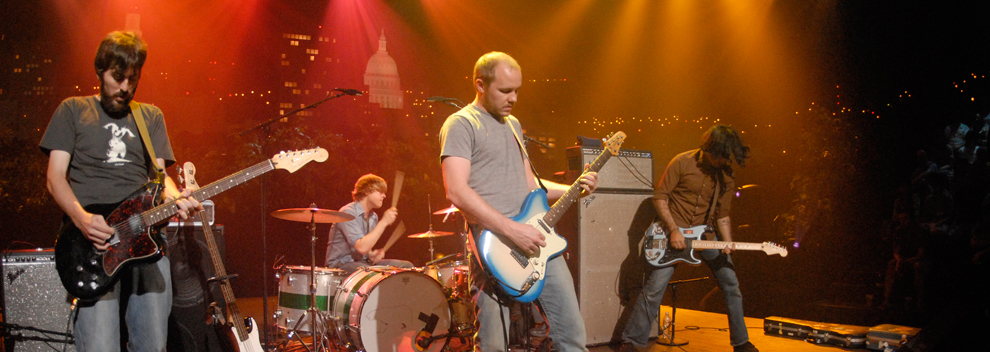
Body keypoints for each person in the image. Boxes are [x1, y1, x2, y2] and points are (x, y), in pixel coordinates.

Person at [40, 31, 201, 351]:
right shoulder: (72, 109)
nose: (125, 87)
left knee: (153, 343)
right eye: (118, 77)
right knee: (100, 343)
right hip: (93, 240)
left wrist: (176, 198)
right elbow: (55, 177)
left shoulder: (150, 116)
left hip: (145, 236)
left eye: (133, 78)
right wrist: (81, 218)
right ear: (101, 70)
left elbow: (160, 177)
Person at [439, 51, 598, 352]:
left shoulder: (513, 124)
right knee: (493, 345)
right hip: (494, 247)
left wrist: (574, 188)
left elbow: (530, 186)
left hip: (537, 241)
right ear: (480, 85)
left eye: (517, 91)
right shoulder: (461, 124)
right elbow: (456, 192)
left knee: (572, 335)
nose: (513, 98)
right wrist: (513, 230)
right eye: (505, 90)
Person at [617, 125, 758, 352]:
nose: (722, 161)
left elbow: (722, 214)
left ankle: (741, 343)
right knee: (654, 288)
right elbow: (660, 198)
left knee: (731, 284)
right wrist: (673, 230)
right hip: (672, 236)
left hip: (706, 236)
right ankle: (632, 342)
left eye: (725, 157)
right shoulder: (682, 162)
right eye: (719, 156)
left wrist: (728, 241)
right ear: (708, 148)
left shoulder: (725, 173)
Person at [325, 173, 414, 273]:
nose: (384, 196)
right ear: (367, 191)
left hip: (362, 263)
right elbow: (362, 247)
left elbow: (365, 250)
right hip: (340, 264)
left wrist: (371, 255)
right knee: (371, 272)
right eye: (380, 191)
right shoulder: (347, 213)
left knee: (406, 266)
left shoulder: (373, 217)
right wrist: (384, 222)